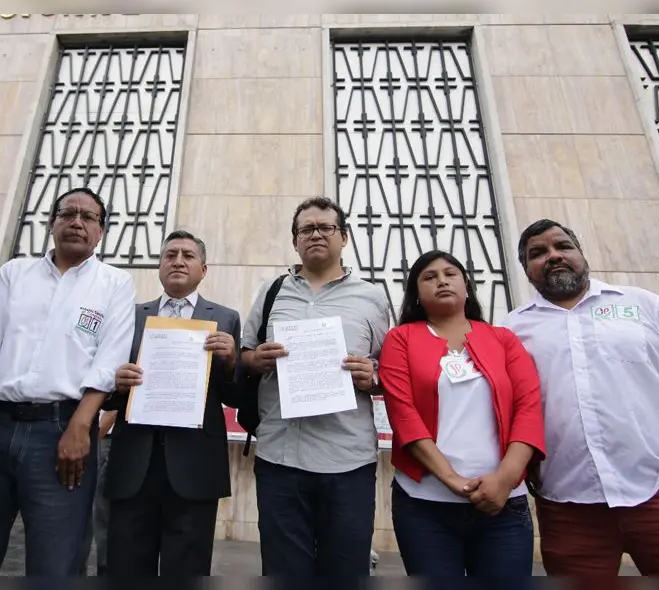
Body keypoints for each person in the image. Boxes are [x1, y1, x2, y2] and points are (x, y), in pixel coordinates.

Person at [505, 219, 659, 576]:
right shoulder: (512, 330)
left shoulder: (642, 305)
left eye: (563, 246)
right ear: (527, 269)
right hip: (568, 503)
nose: (553, 256)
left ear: (581, 254)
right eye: (538, 253)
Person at [0, 187, 135, 577]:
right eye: (67, 213)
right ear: (52, 223)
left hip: (63, 431)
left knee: (55, 565)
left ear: (100, 232)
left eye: (88, 217)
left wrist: (81, 427)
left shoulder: (114, 283)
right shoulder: (14, 273)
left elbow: (108, 362)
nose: (76, 222)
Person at [241, 197, 390, 577]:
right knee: (284, 572)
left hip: (348, 461)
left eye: (325, 227)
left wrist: (372, 376)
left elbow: (389, 371)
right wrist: (256, 359)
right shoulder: (272, 291)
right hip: (279, 459)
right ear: (295, 241)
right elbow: (244, 354)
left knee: (345, 572)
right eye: (306, 229)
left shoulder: (372, 297)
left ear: (344, 237)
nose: (316, 235)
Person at [377, 250, 545, 579]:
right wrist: (453, 480)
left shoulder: (503, 339)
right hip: (424, 505)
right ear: (416, 295)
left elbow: (528, 409)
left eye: (450, 274)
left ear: (466, 285)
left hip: (503, 505)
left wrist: (504, 480)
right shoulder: (400, 339)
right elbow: (403, 414)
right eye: (429, 277)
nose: (441, 281)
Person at [104, 230, 242, 576]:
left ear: (203, 270)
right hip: (135, 460)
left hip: (196, 463)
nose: (178, 261)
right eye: (170, 255)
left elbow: (234, 396)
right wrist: (115, 383)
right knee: (126, 566)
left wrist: (230, 363)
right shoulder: (131, 316)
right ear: (160, 266)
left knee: (187, 568)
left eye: (188, 255)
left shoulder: (225, 318)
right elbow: (107, 389)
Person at [82, 408, 116, 575]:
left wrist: (93, 439)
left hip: (102, 438)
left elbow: (112, 411)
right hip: (90, 438)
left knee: (103, 518)